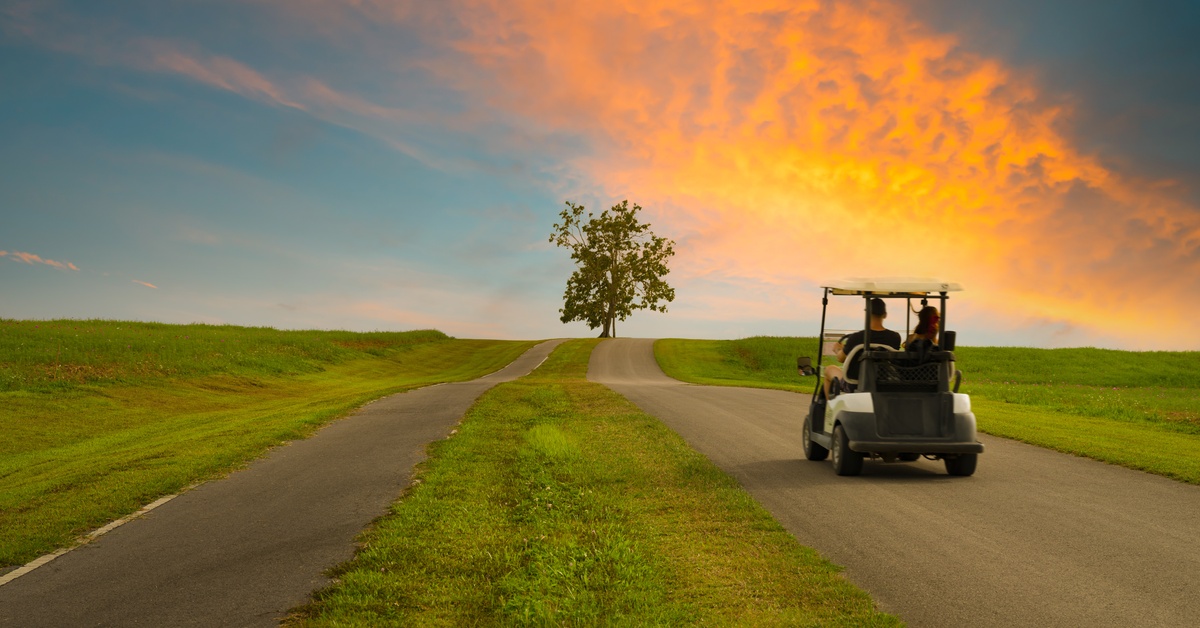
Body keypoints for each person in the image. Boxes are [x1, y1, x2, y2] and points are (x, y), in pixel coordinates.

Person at [823, 298, 902, 398]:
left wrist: (838, 349)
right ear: (885, 315)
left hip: (854, 385)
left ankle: (828, 410)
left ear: (867, 314)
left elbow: (841, 358)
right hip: (883, 383)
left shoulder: (856, 338)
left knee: (829, 369)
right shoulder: (894, 338)